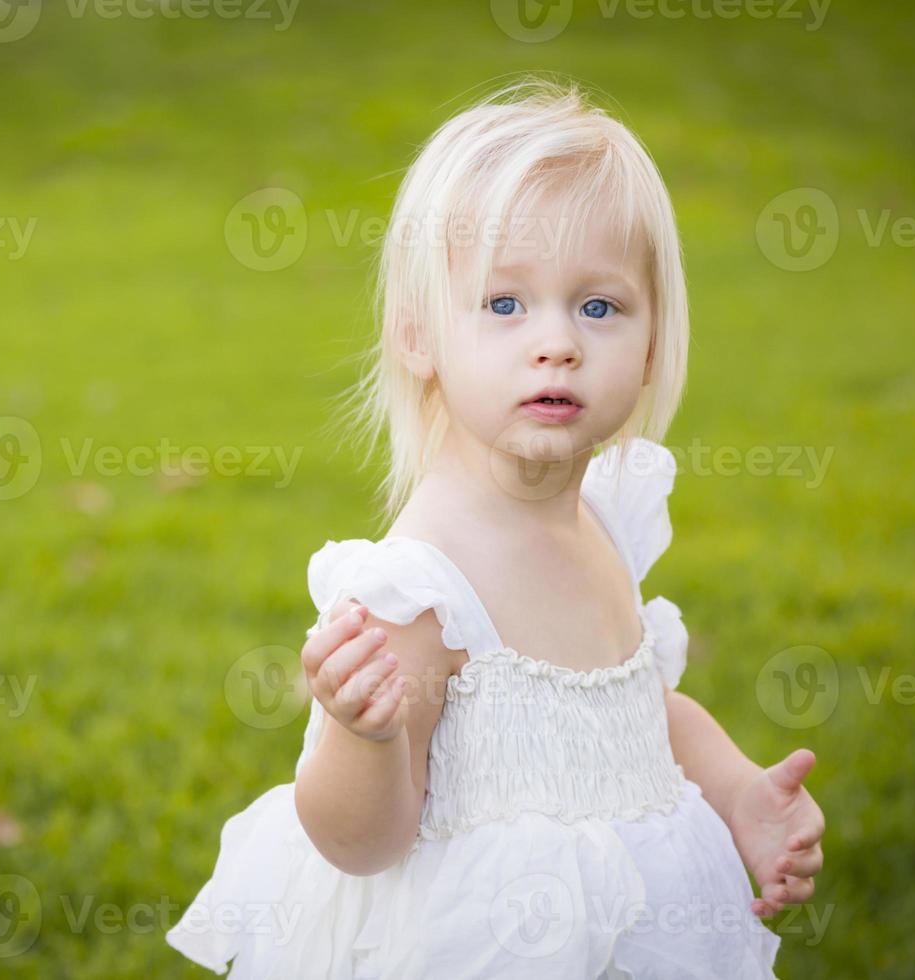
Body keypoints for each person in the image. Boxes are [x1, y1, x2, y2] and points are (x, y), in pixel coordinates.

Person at [166, 75, 824, 979]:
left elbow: (634, 717)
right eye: (505, 305)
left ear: (651, 344)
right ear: (419, 337)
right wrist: (362, 736)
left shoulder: (607, 519)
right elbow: (364, 841)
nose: (556, 341)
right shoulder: (425, 584)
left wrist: (741, 789)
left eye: (598, 306)